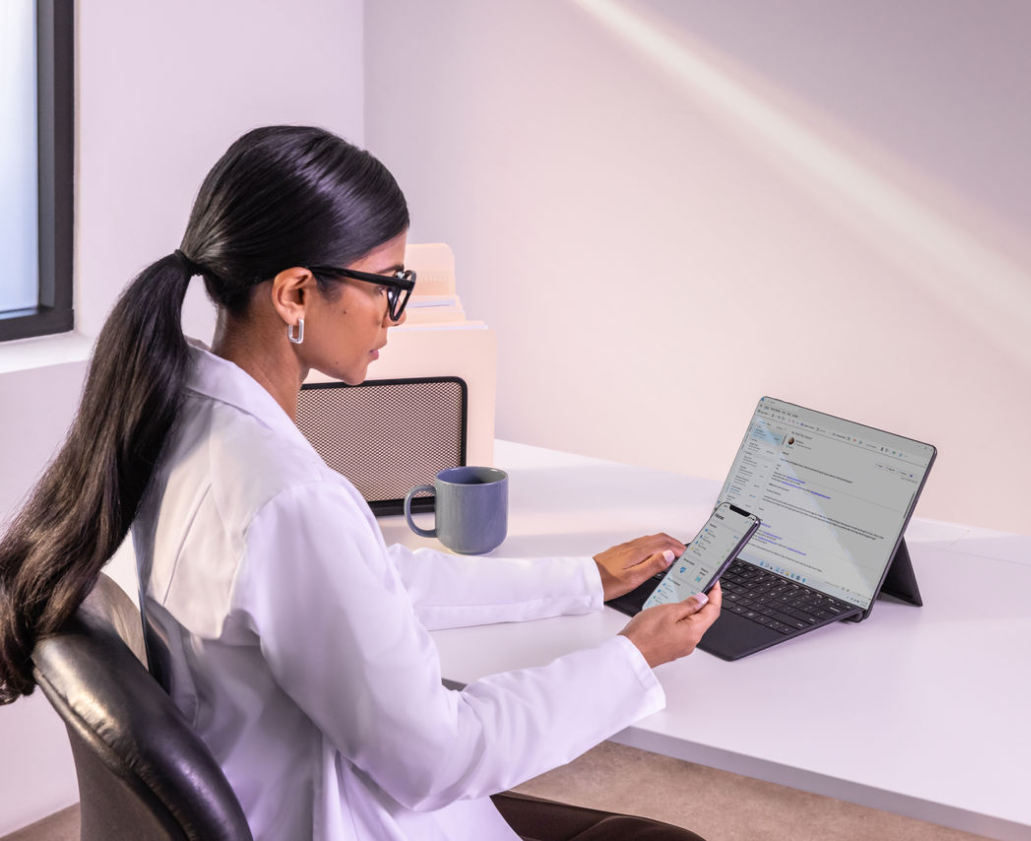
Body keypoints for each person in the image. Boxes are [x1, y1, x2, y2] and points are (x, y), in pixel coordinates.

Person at [0, 126, 721, 840]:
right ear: (295, 294)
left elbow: (371, 580)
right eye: (388, 286)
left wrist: (583, 580)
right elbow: (440, 758)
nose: (393, 317)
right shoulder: (287, 496)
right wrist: (632, 656)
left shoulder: (172, 416)